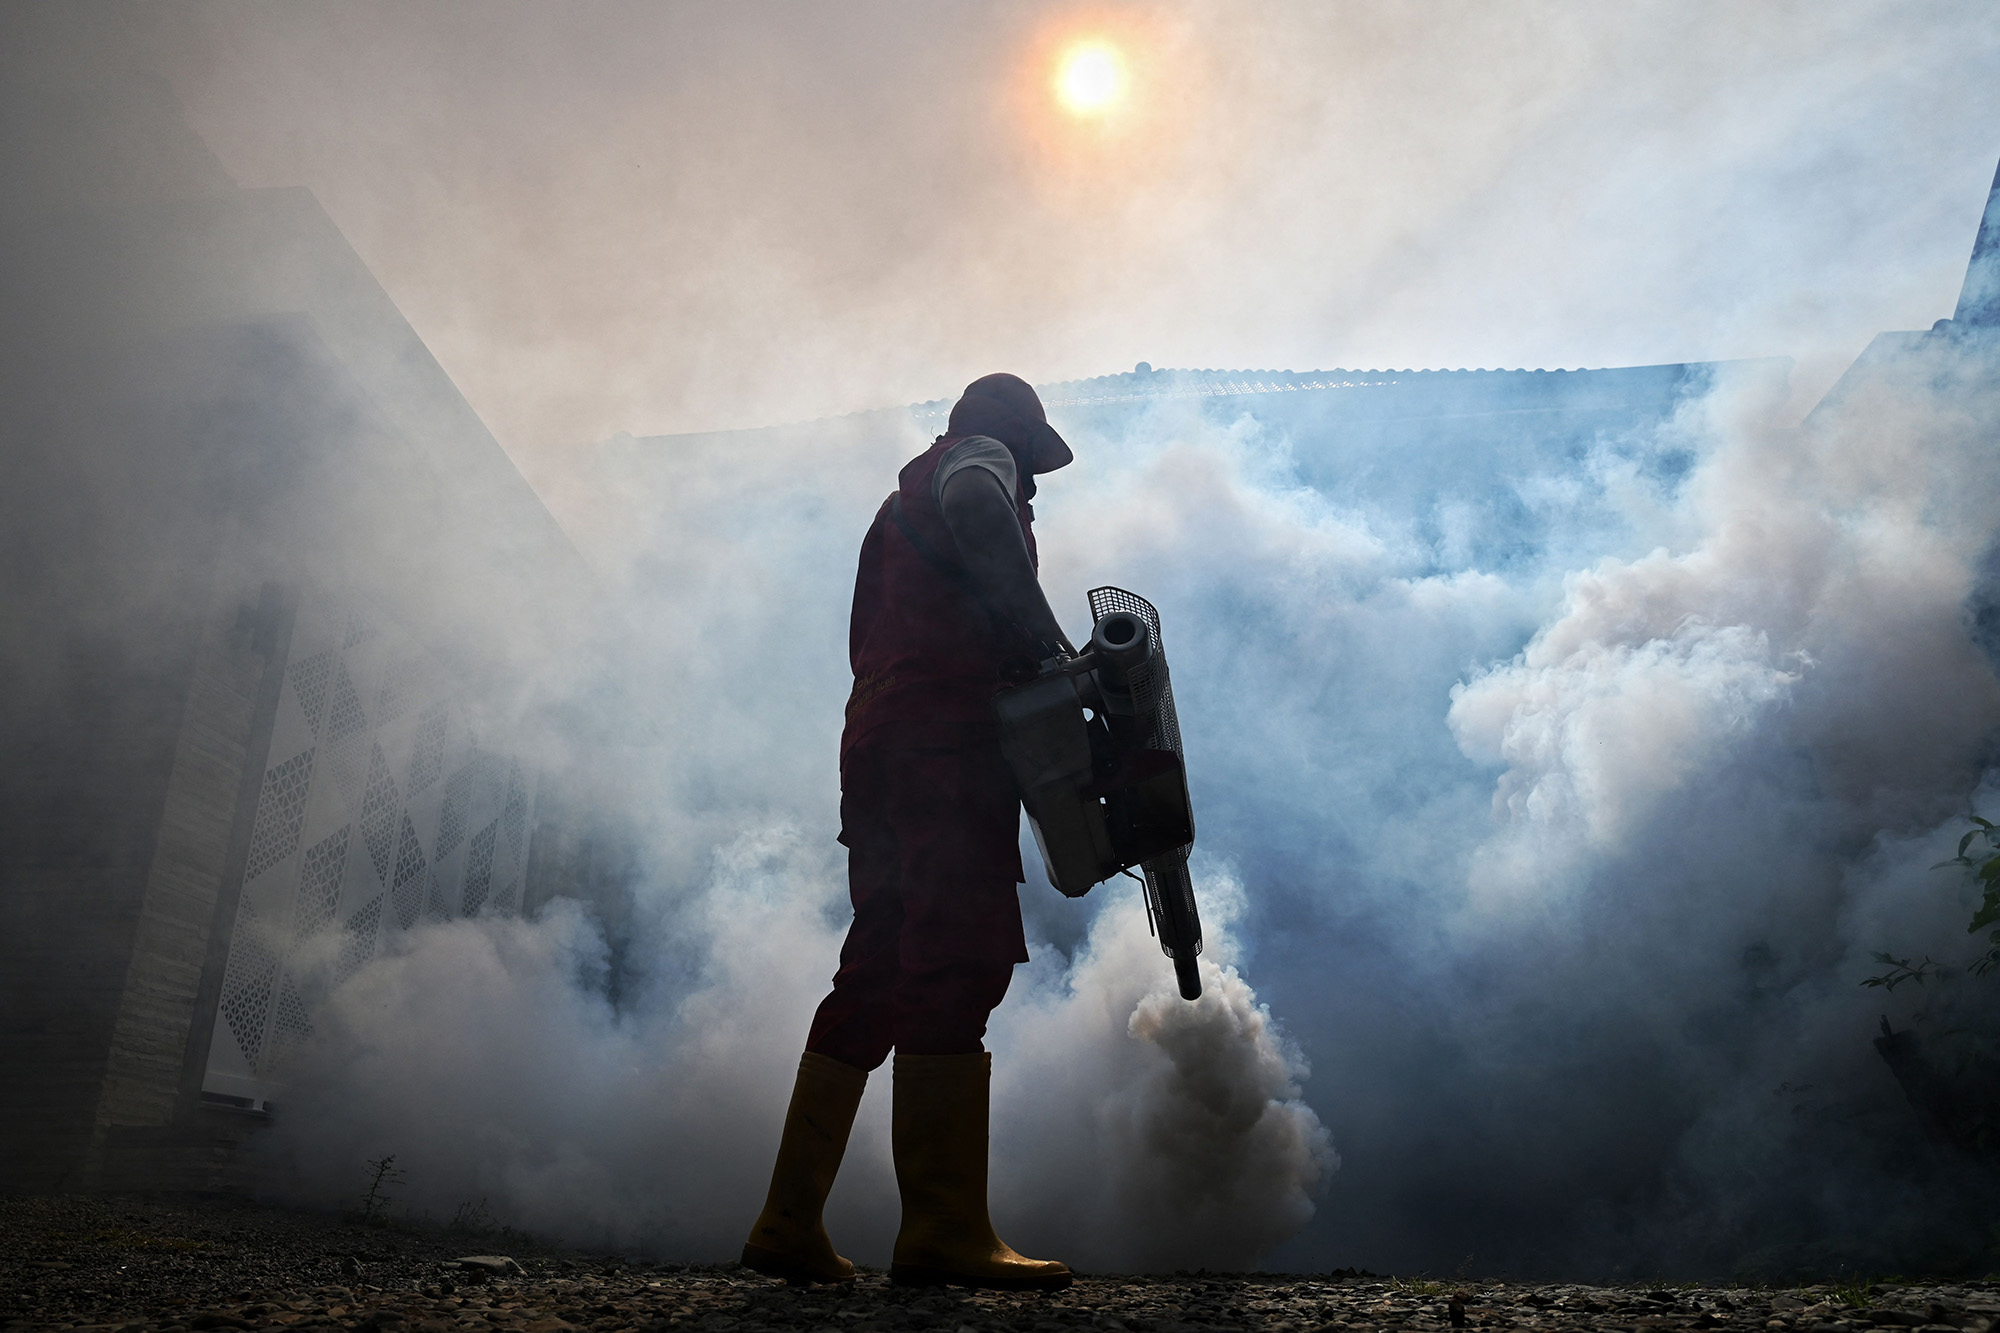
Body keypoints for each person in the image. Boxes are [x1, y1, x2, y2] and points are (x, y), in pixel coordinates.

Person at [741, 374, 1076, 1290]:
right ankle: (942, 1227)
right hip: (947, 748)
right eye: (1031, 464)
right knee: (955, 957)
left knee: (881, 962)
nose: (1032, 486)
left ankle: (787, 1218)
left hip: (880, 746)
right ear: (1007, 435)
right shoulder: (976, 460)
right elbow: (981, 500)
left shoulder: (892, 512)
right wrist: (1048, 647)